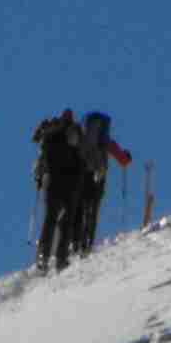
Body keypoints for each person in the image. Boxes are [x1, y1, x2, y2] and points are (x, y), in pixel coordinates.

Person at [68, 111, 136, 263]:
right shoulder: (105, 141)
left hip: (80, 176)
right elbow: (122, 158)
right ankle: (87, 245)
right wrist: (126, 158)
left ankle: (75, 242)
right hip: (98, 176)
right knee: (92, 210)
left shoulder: (81, 138)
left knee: (79, 209)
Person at [33, 110, 82, 271]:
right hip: (69, 182)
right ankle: (61, 258)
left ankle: (43, 255)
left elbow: (41, 157)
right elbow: (80, 158)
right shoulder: (73, 131)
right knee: (66, 220)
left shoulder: (50, 135)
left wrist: (39, 178)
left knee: (50, 218)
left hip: (52, 181)